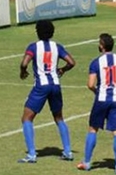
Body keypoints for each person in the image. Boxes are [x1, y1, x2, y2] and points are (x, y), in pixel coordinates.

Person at [77, 33, 116, 175]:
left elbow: (90, 84)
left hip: (101, 99)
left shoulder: (96, 62)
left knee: (93, 129)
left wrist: (97, 91)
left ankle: (86, 162)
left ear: (102, 46)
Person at [18, 20, 76, 163]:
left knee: (27, 118)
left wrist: (23, 71)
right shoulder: (57, 47)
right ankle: (68, 151)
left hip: (41, 87)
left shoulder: (33, 47)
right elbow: (72, 62)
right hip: (55, 85)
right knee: (59, 118)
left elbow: (24, 62)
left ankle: (32, 154)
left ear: (37, 32)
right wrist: (62, 69)